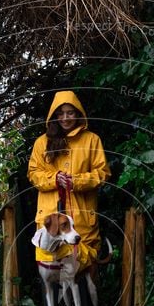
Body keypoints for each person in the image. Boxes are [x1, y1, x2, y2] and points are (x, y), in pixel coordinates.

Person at [27, 90, 111, 269]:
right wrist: (54, 178)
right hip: (51, 219)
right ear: (55, 115)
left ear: (78, 113)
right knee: (51, 269)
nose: (65, 118)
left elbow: (102, 173)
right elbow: (33, 174)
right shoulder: (42, 142)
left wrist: (77, 181)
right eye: (61, 113)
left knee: (86, 271)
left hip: (82, 216)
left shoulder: (92, 140)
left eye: (70, 112)